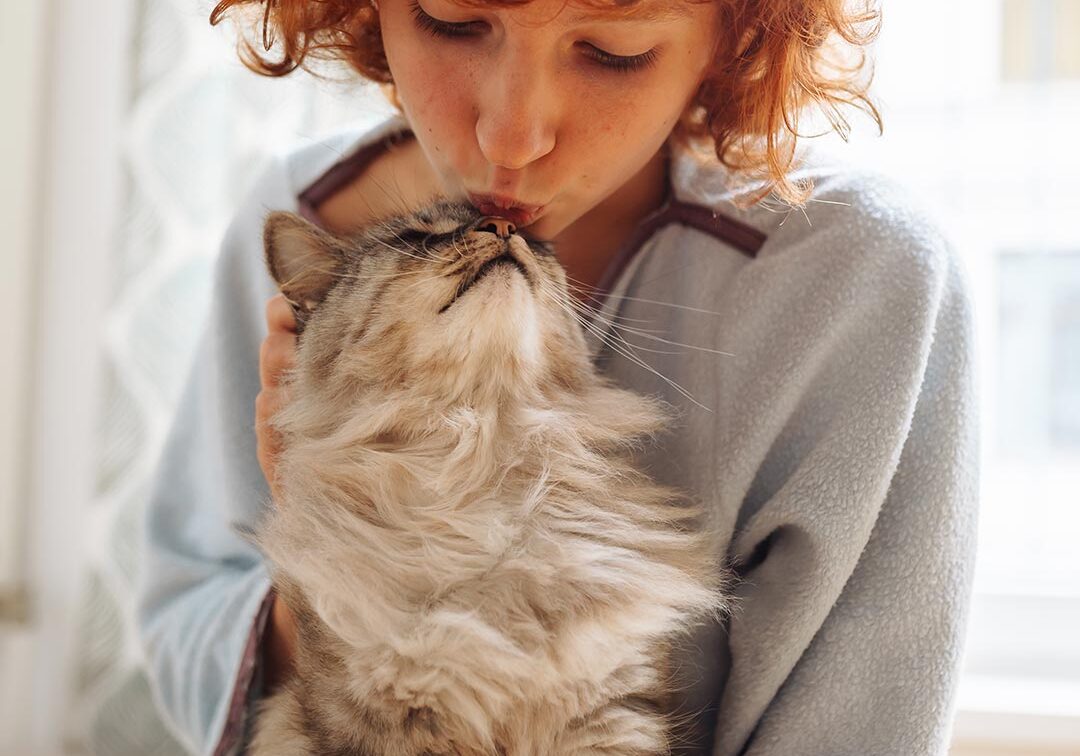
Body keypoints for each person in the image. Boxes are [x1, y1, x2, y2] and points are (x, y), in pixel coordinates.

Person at [134, 0, 980, 754]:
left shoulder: (860, 280)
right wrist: (335, 552)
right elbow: (185, 636)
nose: (512, 134)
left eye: (613, 51)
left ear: (733, 37)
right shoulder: (305, 216)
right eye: (452, 22)